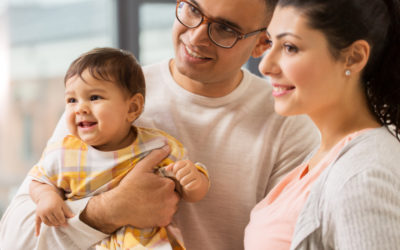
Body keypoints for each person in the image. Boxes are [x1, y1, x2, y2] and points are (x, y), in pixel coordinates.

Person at [0, 0, 319, 249]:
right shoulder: (104, 98)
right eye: (192, 9)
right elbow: (15, 240)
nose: (195, 36)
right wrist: (110, 211)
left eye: (225, 29)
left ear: (263, 42)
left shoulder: (289, 124)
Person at [244, 0, 400, 249]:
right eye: (271, 43)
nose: (265, 66)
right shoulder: (329, 154)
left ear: (354, 57)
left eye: (290, 47)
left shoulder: (362, 176)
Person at [28, 47, 209, 249]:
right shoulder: (63, 153)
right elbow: (38, 181)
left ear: (132, 108)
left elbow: (189, 188)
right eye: (72, 100)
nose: (80, 108)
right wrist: (47, 197)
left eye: (94, 97)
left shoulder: (156, 146)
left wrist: (194, 181)